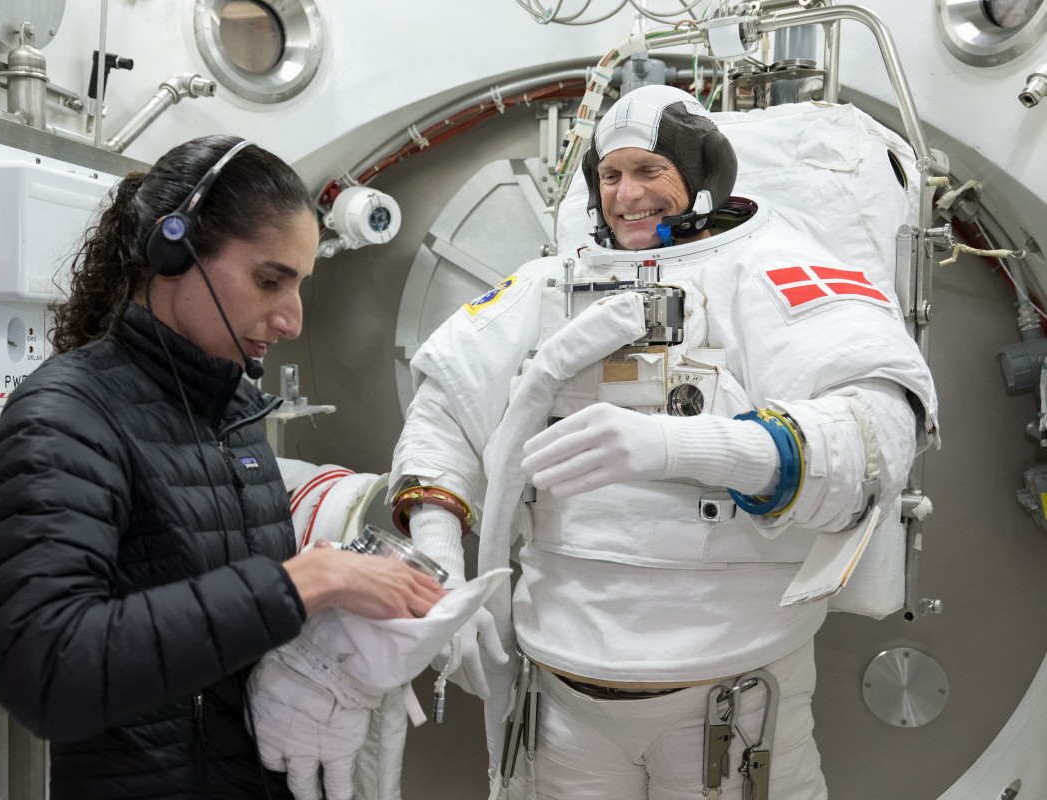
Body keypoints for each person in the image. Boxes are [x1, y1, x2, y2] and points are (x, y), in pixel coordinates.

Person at [388, 85, 938, 799]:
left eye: (650, 171)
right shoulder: (552, 285)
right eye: (611, 175)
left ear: (702, 179)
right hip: (561, 700)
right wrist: (437, 561)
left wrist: (682, 450)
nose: (627, 193)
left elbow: (875, 434)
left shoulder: (773, 269)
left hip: (729, 703)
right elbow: (443, 409)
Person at [0, 135, 446, 800]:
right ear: (174, 251)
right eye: (269, 280)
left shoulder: (232, 414)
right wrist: (303, 584)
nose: (290, 319)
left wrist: (345, 635)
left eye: (298, 284)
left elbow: (227, 630)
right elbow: (46, 675)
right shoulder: (67, 415)